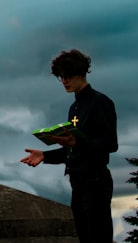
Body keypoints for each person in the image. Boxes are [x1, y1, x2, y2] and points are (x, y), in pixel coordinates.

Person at [20, 50, 118, 243]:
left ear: (82, 73)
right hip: (78, 181)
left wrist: (77, 142)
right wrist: (45, 156)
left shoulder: (100, 102)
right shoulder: (74, 107)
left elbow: (110, 144)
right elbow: (71, 149)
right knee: (84, 237)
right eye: (61, 77)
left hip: (95, 181)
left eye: (68, 76)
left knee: (98, 237)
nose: (64, 81)